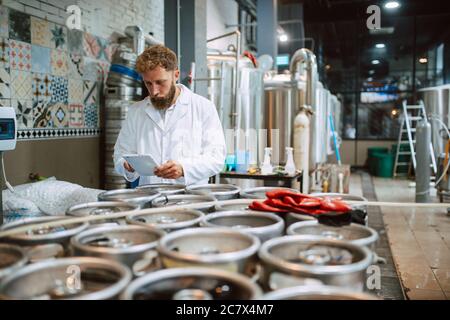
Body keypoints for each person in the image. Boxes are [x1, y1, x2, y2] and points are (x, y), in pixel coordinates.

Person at [114, 45, 226, 186]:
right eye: (148, 83)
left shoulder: (203, 108)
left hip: (191, 199)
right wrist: (126, 165)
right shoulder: (136, 111)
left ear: (176, 75)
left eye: (160, 82)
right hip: (150, 198)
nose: (154, 91)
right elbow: (120, 154)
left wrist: (184, 169)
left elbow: (216, 158)